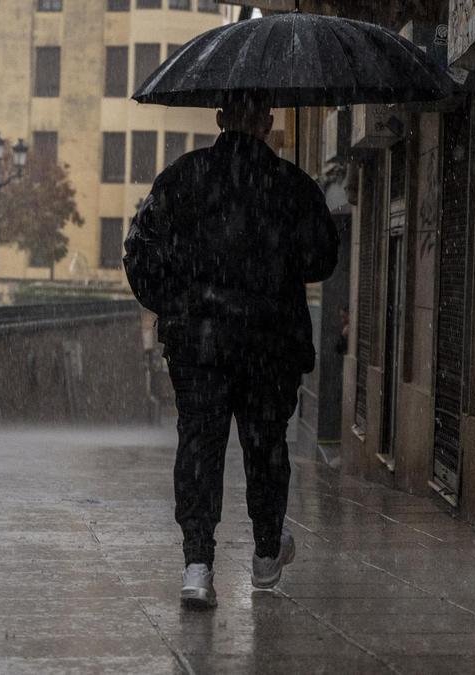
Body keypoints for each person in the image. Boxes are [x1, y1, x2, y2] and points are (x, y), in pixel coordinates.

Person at [123, 94, 339, 608]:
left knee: (200, 445)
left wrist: (178, 305)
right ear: (268, 122)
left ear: (219, 120)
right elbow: (322, 259)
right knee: (266, 447)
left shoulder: (182, 179)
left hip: (200, 346)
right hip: (270, 345)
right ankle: (266, 554)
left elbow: (138, 252)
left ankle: (198, 566)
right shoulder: (292, 186)